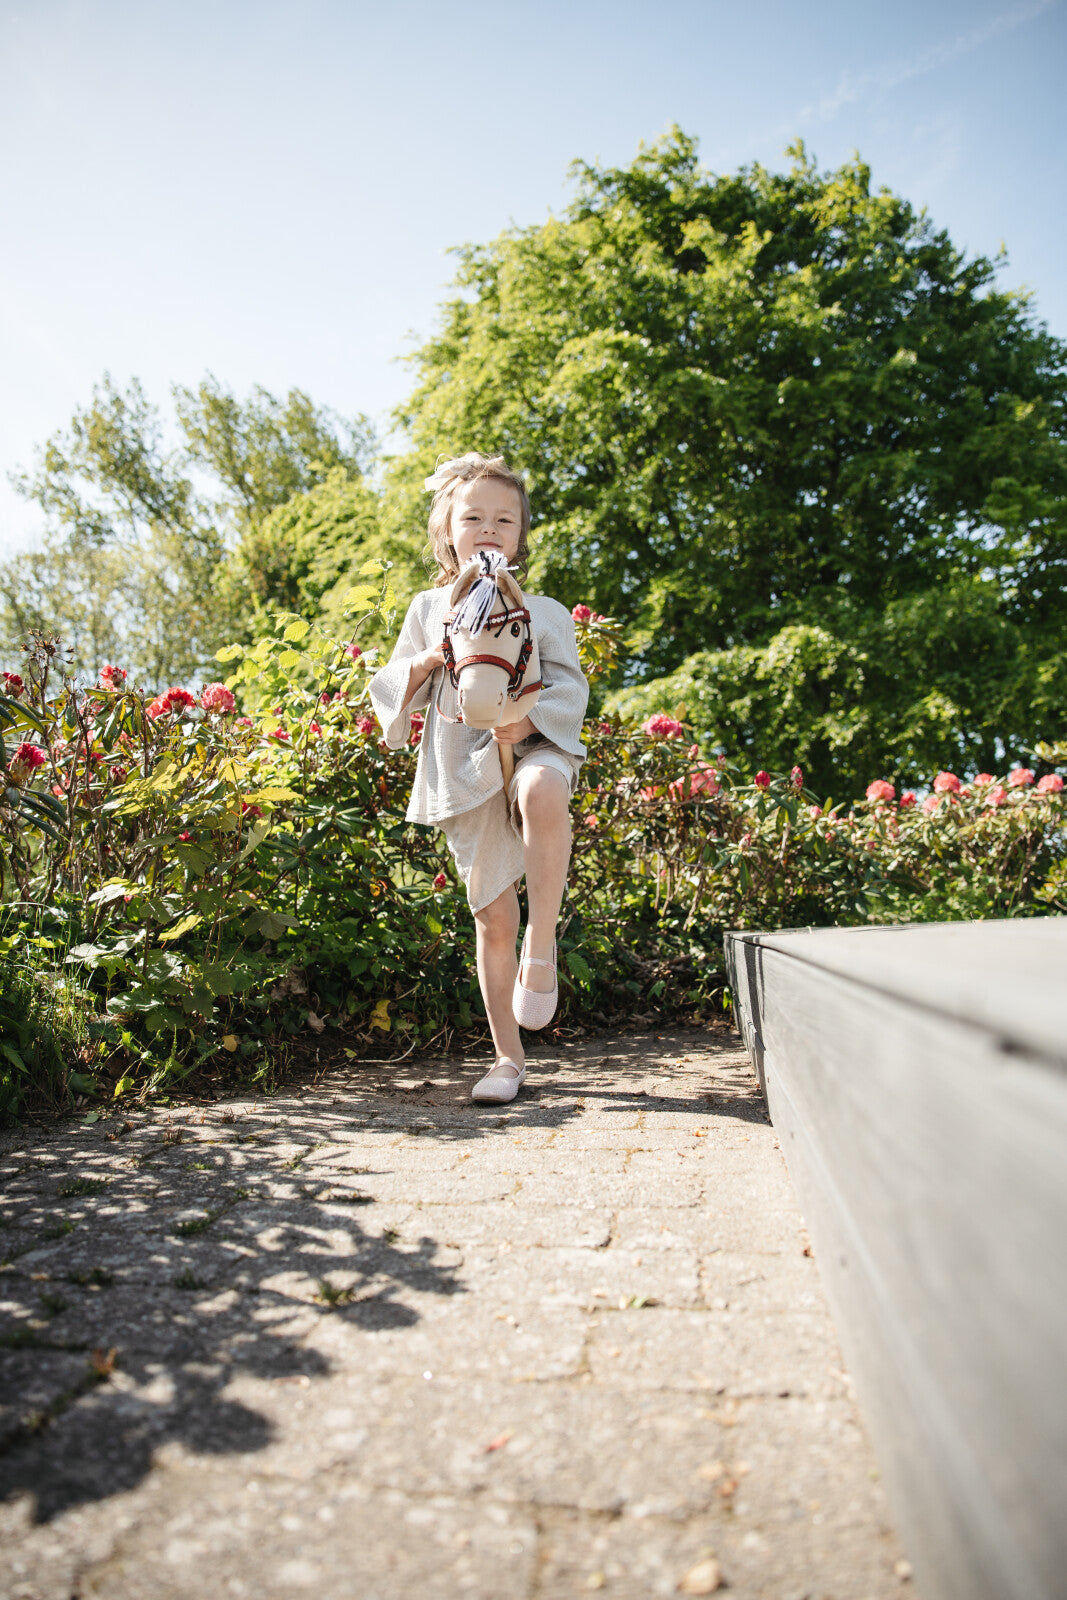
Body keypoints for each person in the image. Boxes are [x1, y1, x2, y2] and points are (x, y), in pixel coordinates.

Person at [368, 453, 588, 1104]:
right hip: (462, 763)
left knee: (542, 789)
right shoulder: (428, 607)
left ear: (520, 534)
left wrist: (527, 719)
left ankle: (541, 943)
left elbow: (569, 686)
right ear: (447, 529)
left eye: (503, 519)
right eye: (473, 518)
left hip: (534, 744)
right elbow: (392, 686)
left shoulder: (545, 611)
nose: (488, 528)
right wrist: (432, 656)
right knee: (493, 915)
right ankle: (506, 1059)